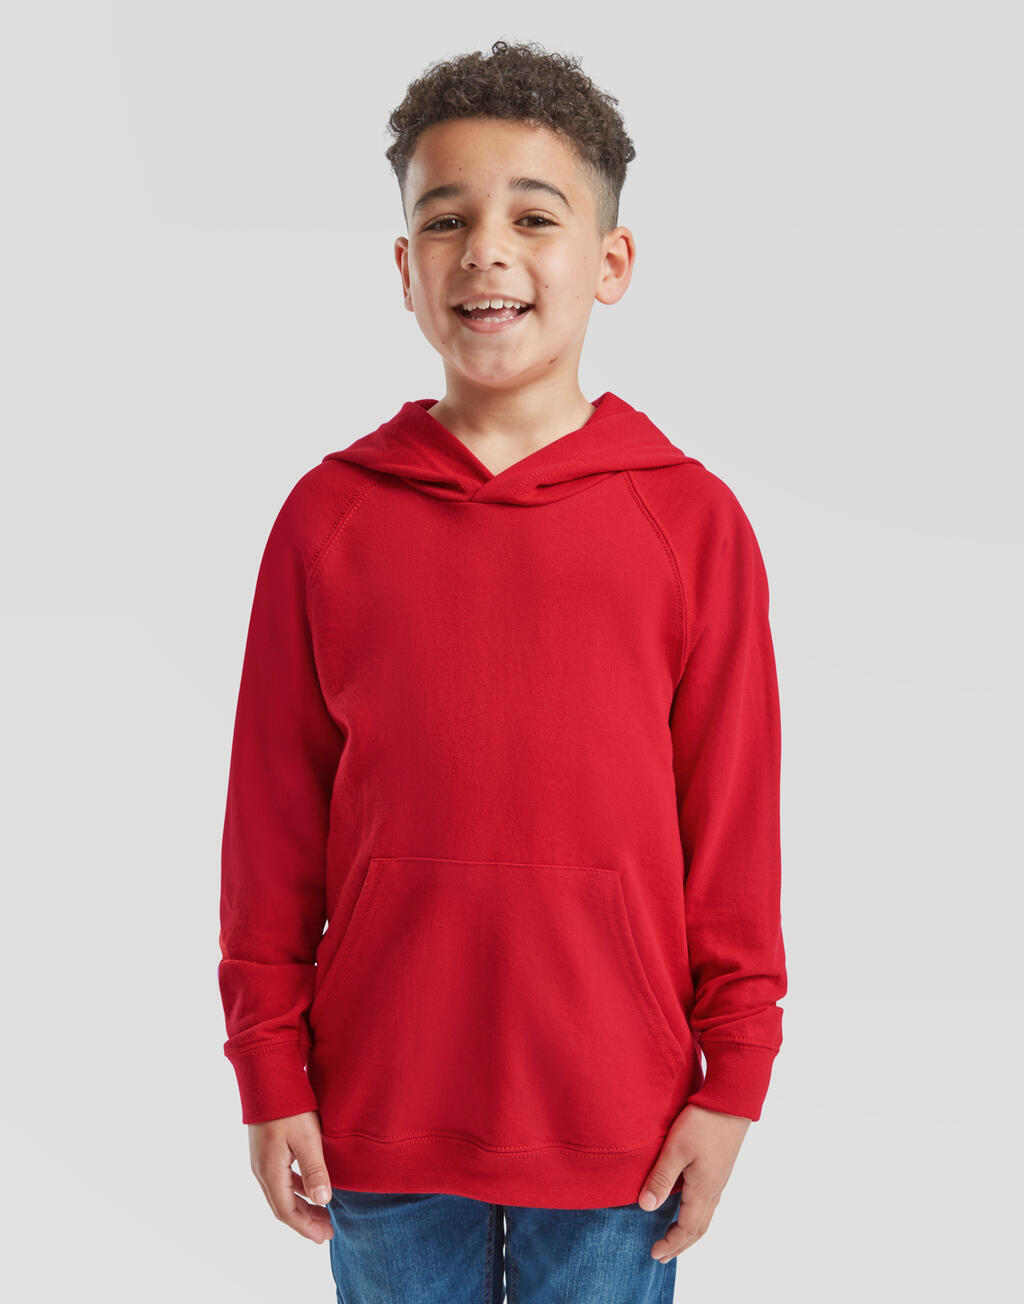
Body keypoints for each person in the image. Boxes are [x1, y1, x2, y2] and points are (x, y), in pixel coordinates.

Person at [217, 37, 787, 1304]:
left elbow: (733, 827)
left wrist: (736, 1076)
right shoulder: (328, 519)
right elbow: (269, 828)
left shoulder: (689, 523)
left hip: (621, 1129)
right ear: (405, 269)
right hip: (377, 1115)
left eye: (534, 216)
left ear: (610, 261)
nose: (486, 250)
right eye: (446, 219)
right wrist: (267, 1067)